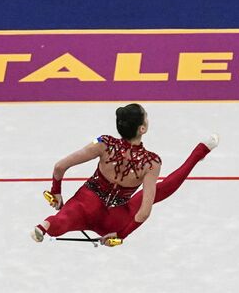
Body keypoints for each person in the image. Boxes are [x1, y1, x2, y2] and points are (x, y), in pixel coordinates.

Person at [33, 103, 217, 245]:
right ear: (142, 129)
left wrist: (56, 191)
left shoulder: (103, 143)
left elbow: (59, 167)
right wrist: (120, 235)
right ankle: (199, 152)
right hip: (114, 220)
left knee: (63, 219)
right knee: (156, 191)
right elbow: (144, 213)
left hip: (86, 204)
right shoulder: (151, 162)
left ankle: (45, 226)